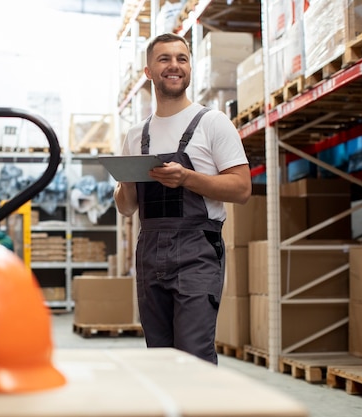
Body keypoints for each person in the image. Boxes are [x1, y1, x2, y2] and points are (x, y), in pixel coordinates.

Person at [113, 33, 252, 364]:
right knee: (159, 355)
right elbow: (127, 207)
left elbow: (242, 188)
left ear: (190, 68)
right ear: (148, 71)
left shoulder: (212, 123)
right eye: (164, 59)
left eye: (182, 59)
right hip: (150, 249)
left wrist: (187, 178)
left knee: (194, 354)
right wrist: (127, 184)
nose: (174, 66)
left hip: (197, 250)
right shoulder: (136, 135)